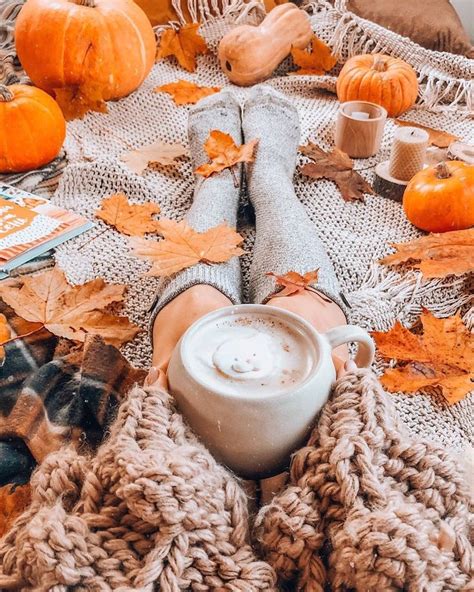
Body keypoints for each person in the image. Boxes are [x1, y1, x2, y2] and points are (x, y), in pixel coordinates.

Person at [147, 86, 353, 394]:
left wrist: (155, 403)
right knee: (301, 312)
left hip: (172, 430)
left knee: (198, 309)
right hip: (336, 430)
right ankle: (268, 179)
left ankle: (220, 180)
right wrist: (352, 394)